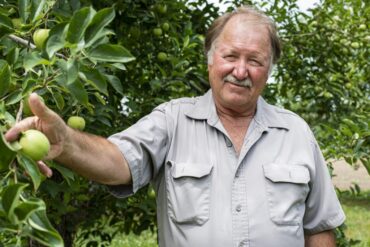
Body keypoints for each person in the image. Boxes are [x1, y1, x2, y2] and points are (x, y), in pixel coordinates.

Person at [5, 5, 345, 247]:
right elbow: (118, 160)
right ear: (210, 59)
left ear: (268, 70)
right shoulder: (172, 121)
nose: (241, 71)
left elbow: (318, 228)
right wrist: (67, 141)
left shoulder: (296, 132)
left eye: (254, 61)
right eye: (230, 56)